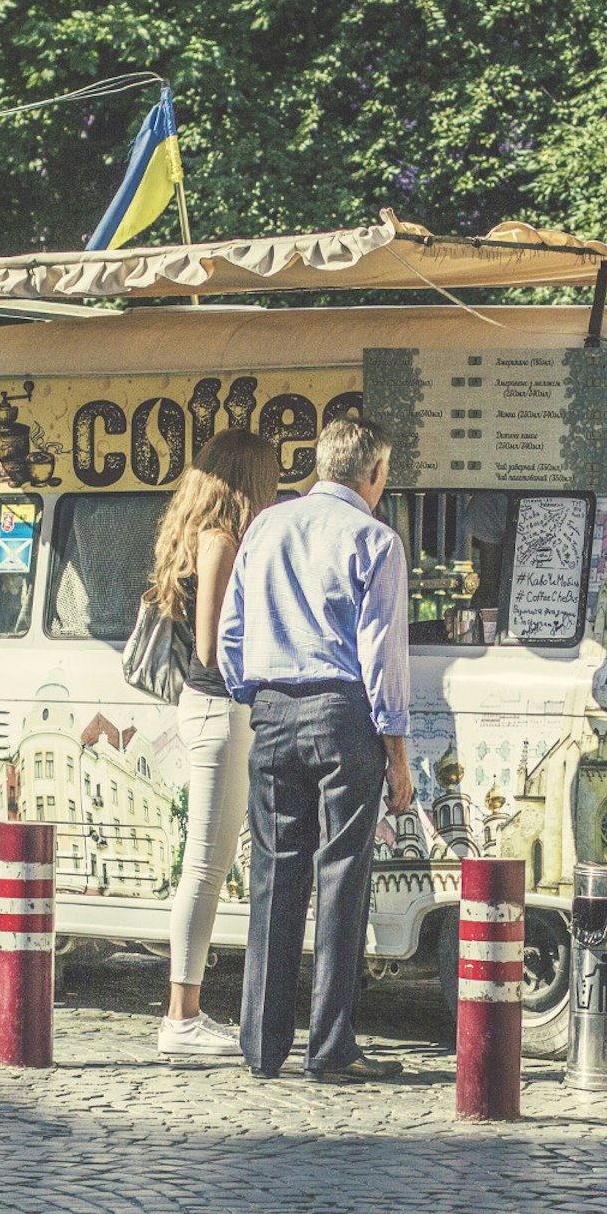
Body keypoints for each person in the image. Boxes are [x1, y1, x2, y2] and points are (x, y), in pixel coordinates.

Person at [219, 417, 414, 1082]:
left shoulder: (267, 525)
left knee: (274, 883)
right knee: (341, 882)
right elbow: (382, 654)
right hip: (341, 716)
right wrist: (397, 751)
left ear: (321, 465)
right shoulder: (376, 540)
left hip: (272, 712)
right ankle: (329, 1046)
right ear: (375, 474)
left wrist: (257, 693)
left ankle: (261, 1047)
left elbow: (232, 630)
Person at [143, 430, 281, 1057]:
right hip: (220, 709)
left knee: (207, 864)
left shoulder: (208, 536)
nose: (274, 485)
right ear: (244, 478)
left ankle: (186, 1011)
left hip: (210, 711)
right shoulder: (221, 541)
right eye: (268, 474)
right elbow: (210, 649)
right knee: (204, 866)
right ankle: (181, 1016)